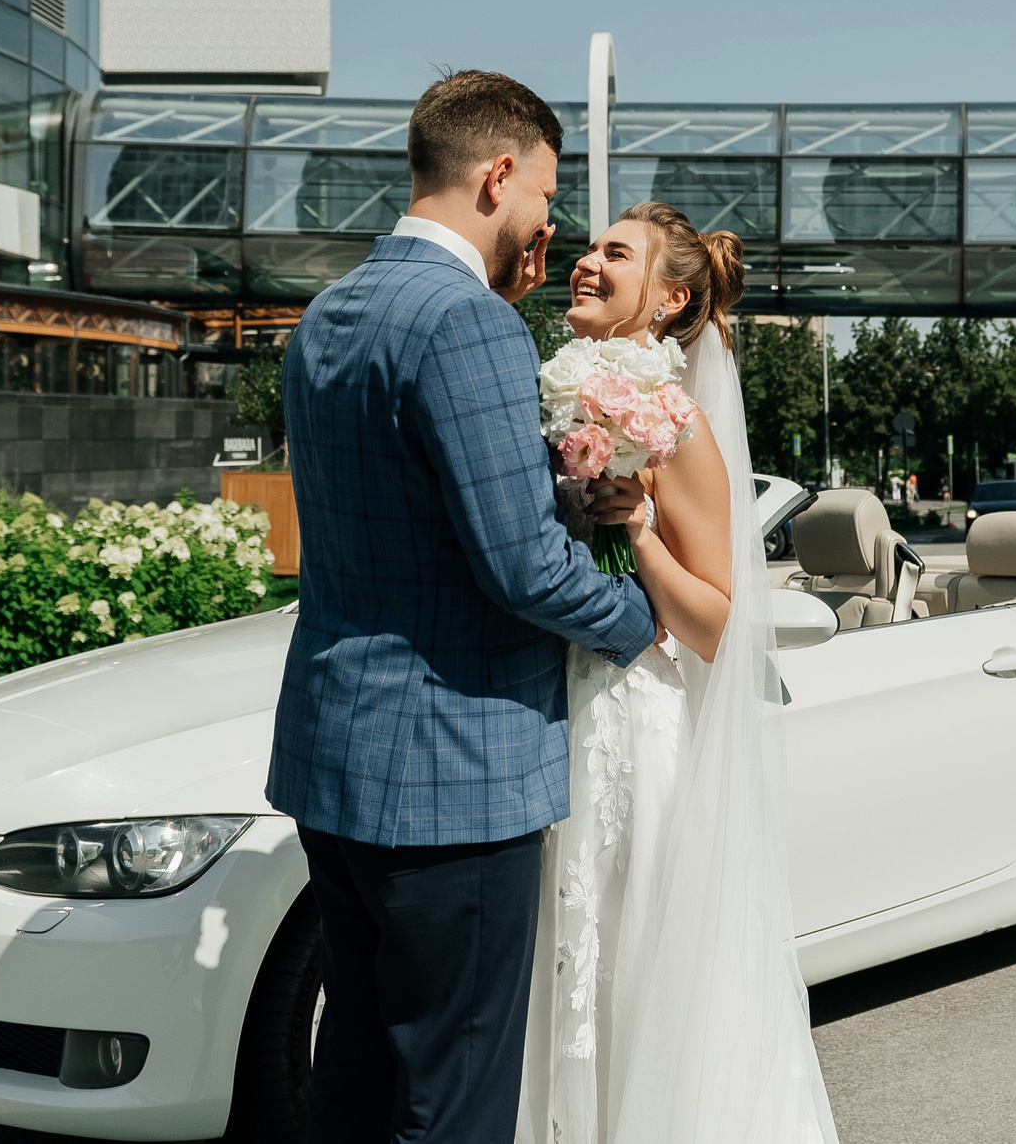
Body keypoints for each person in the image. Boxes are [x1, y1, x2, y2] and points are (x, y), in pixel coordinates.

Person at [268, 71, 659, 1144]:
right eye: (542, 192)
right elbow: (524, 567)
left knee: (355, 1059)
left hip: (331, 750)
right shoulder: (466, 325)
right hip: (451, 769)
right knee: (454, 1094)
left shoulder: (329, 312)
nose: (548, 221)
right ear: (497, 174)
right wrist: (643, 623)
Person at [519, 203, 837, 1144]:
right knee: (568, 970)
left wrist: (638, 531)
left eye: (616, 253)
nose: (586, 262)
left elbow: (716, 623)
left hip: (634, 729)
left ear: (670, 298)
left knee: (634, 969)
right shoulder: (564, 394)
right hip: (559, 718)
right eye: (589, 247)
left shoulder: (680, 423)